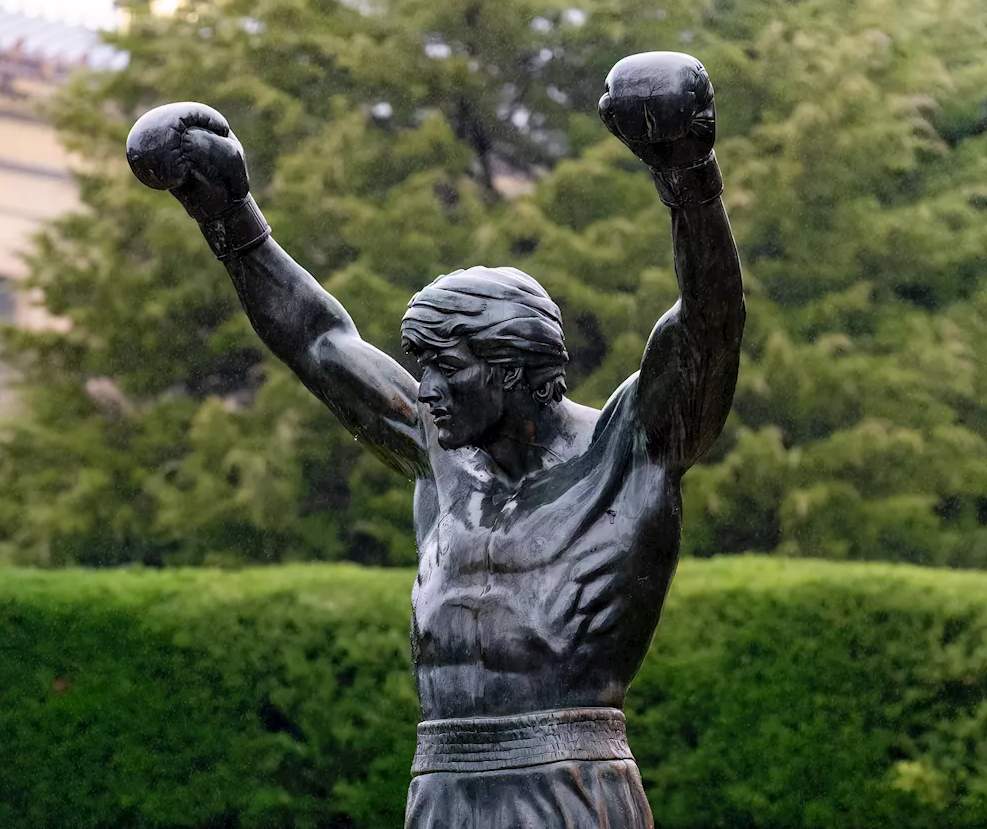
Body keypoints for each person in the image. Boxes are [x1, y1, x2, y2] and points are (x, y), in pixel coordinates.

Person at [126, 50, 745, 829]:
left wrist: (689, 173)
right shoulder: (445, 458)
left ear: (518, 372)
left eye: (448, 371)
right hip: (441, 790)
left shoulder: (628, 453)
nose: (427, 391)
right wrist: (230, 218)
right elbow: (320, 342)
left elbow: (708, 329)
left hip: (570, 794)